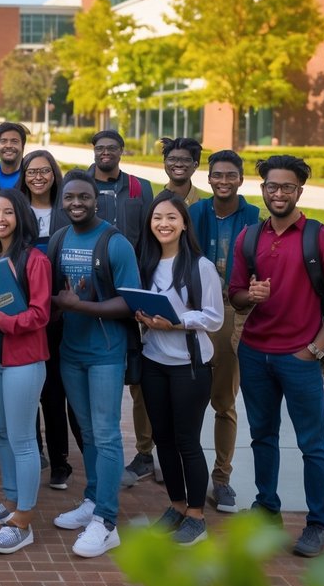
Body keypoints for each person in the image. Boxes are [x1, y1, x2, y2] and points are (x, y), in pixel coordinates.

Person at [228, 155, 324, 558]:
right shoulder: (248, 237)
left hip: (299, 357)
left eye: (287, 187)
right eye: (272, 186)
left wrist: (315, 349)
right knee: (262, 438)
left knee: (312, 444)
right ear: (263, 189)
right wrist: (249, 296)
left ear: (300, 191)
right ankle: (266, 508)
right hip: (254, 354)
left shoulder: (321, 238)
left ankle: (318, 525)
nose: (278, 193)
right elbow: (234, 294)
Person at [49, 170, 140, 559]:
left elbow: (130, 303)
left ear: (96, 200)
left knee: (105, 434)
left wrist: (79, 305)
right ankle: (91, 500)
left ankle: (106, 521)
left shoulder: (115, 243)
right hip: (71, 352)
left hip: (105, 351)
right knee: (86, 432)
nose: (76, 204)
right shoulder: (59, 239)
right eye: (69, 198)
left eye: (83, 197)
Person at [134, 191, 224, 546]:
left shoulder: (199, 266)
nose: (163, 224)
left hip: (189, 366)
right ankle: (175, 505)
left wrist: (177, 322)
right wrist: (141, 315)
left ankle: (196, 515)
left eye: (171, 217)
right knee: (164, 440)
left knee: (187, 441)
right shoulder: (147, 262)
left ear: (184, 224)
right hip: (154, 362)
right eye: (157, 218)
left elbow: (214, 318)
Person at [0, 190, 51, 554]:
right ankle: (11, 501)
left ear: (20, 216)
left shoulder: (35, 259)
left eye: (7, 212)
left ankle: (24, 520)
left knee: (22, 440)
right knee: (3, 433)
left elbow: (40, 314)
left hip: (24, 359)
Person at [188, 149, 260, 514]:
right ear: (209, 178)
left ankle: (222, 479)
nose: (224, 181)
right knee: (189, 398)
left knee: (224, 402)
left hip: (233, 308)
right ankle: (189, 474)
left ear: (241, 179)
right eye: (217, 175)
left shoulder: (253, 217)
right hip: (197, 307)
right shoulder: (197, 212)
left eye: (231, 175)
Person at [86, 129, 157, 488]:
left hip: (133, 290)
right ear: (94, 152)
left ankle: (146, 452)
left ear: (121, 151)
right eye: (100, 148)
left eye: (112, 148)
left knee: (140, 374)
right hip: (92, 293)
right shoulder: (81, 184)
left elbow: (149, 240)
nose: (106, 153)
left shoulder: (139, 188)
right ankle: (98, 456)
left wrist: (146, 288)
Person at [18, 149, 80, 492]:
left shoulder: (66, 212)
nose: (38, 177)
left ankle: (60, 462)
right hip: (25, 310)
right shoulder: (17, 208)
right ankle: (35, 452)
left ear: (54, 174)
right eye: (31, 171)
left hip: (59, 311)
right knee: (28, 389)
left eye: (44, 171)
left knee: (53, 392)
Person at [161, 137, 203, 206]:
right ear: (165, 162)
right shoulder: (155, 203)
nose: (178, 164)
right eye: (172, 159)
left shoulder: (203, 207)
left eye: (185, 160)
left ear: (195, 165)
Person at [0, 122, 27, 190]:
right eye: (3, 141)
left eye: (14, 141)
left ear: (23, 145)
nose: (8, 146)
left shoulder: (31, 178)